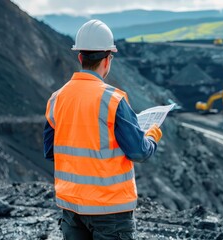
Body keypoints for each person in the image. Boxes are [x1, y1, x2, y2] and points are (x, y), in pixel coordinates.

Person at [43, 19, 162, 240]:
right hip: (110, 211)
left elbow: (50, 151)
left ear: (80, 57)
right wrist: (152, 137)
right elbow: (139, 152)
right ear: (108, 60)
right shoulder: (113, 100)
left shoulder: (56, 99)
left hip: (72, 208)